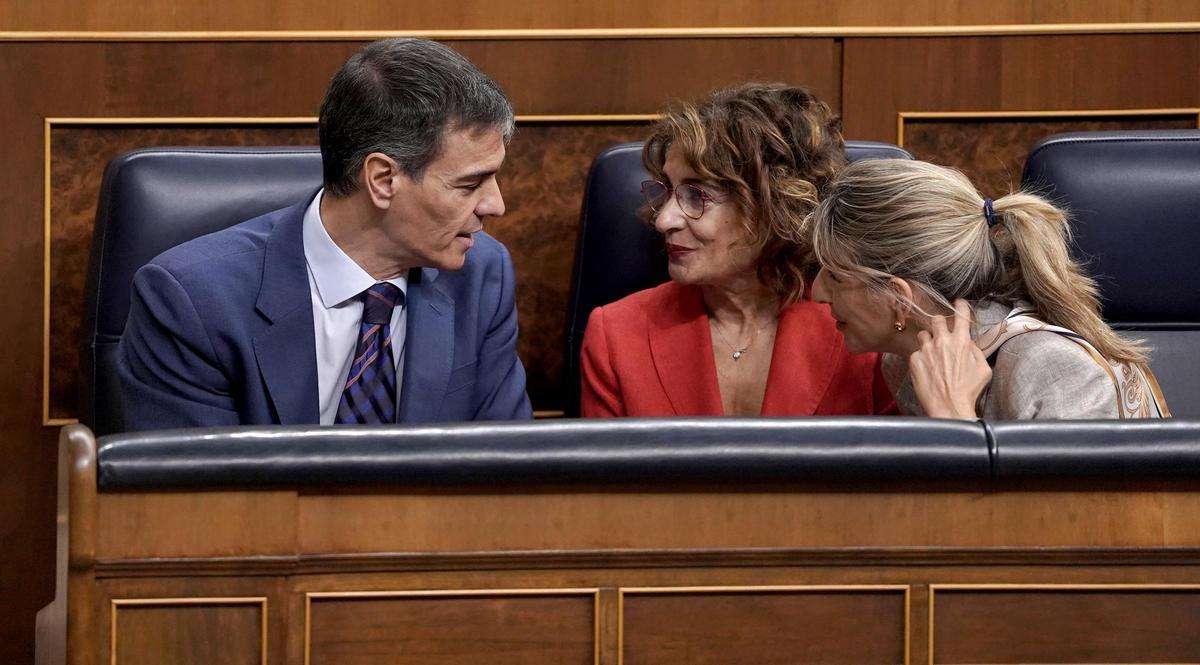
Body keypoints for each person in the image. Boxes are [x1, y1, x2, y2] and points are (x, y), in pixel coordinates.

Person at [119, 38, 532, 429]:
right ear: (383, 179)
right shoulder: (192, 301)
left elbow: (506, 473)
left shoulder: (481, 274)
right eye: (469, 185)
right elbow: (193, 494)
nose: (495, 205)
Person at [580, 83, 895, 417]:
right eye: (669, 190)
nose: (664, 220)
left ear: (773, 204)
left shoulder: (866, 329)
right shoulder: (616, 336)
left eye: (696, 195)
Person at [809, 158, 1169, 419]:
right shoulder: (905, 360)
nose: (816, 293)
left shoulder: (1053, 369)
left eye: (836, 277)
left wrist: (952, 415)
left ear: (900, 299)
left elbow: (1070, 524)